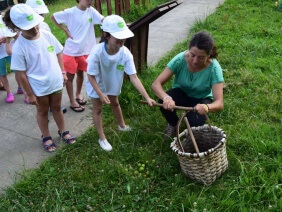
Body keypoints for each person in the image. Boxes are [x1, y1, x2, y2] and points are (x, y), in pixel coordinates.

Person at [3, 4, 76, 152]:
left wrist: (63, 72)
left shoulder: (46, 34)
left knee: (56, 107)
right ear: (17, 27)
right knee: (42, 111)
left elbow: (58, 52)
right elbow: (20, 73)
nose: (35, 29)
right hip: (38, 86)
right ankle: (46, 136)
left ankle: (63, 131)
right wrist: (29, 93)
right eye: (29, 27)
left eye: (35, 24)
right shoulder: (19, 46)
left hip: (55, 81)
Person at [86, 15, 155, 151]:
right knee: (98, 109)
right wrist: (100, 93)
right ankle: (102, 138)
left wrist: (147, 97)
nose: (122, 40)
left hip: (112, 82)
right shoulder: (97, 52)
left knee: (115, 102)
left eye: (123, 36)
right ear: (106, 35)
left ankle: (121, 125)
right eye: (118, 37)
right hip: (97, 85)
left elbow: (134, 77)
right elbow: (90, 75)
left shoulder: (125, 53)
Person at [151, 31, 224, 137]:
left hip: (201, 99)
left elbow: (219, 103)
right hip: (181, 93)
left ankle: (192, 128)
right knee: (163, 102)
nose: (195, 61)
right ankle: (174, 124)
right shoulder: (180, 60)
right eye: (192, 55)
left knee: (195, 122)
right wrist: (167, 98)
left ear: (208, 55)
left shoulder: (214, 69)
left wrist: (206, 107)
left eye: (201, 57)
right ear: (188, 49)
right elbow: (156, 84)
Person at [50, 0, 105, 113]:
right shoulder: (70, 12)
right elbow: (53, 17)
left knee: (81, 73)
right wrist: (65, 29)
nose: (90, 1)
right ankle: (72, 101)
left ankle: (78, 94)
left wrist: (115, 23)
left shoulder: (91, 11)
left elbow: (103, 20)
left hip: (86, 51)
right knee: (70, 78)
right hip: (71, 51)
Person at [26, 0, 67, 112]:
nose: (41, 17)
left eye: (42, 14)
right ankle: (46, 107)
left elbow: (55, 48)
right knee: (42, 101)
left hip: (49, 65)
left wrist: (61, 70)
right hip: (36, 70)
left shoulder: (45, 26)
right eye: (38, 15)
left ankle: (54, 106)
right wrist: (28, 92)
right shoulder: (23, 32)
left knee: (54, 90)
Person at [0, 15, 19, 103]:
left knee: (18, 71)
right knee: (2, 74)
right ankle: (9, 93)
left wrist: (9, 37)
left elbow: (14, 32)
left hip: (10, 49)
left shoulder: (3, 18)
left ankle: (21, 88)